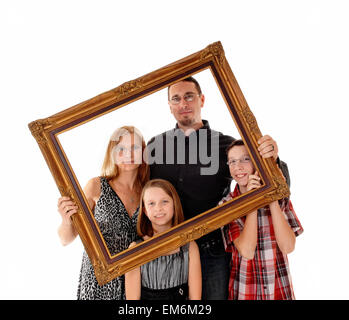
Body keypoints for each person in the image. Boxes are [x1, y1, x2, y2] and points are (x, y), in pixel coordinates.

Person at [147, 76, 290, 300]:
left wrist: (274, 159)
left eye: (189, 96)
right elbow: (139, 189)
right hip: (168, 251)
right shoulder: (155, 146)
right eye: (176, 98)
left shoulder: (226, 146)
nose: (183, 103)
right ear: (169, 106)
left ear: (202, 100)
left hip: (212, 251)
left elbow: (278, 186)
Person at [57, 126, 149, 300]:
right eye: (121, 149)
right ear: (113, 153)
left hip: (135, 282)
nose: (128, 155)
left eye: (134, 148)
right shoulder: (96, 186)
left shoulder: (149, 191)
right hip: (98, 279)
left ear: (143, 151)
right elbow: (65, 239)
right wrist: (66, 220)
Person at [219, 139, 303, 300]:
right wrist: (253, 201)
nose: (238, 167)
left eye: (245, 159)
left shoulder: (280, 197)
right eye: (232, 161)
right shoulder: (227, 205)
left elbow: (288, 246)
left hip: (279, 289)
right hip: (245, 291)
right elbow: (247, 251)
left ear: (257, 162)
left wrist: (269, 196)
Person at [125, 179, 201, 300]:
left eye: (164, 202)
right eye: (151, 203)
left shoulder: (190, 247)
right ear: (144, 210)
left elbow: (195, 299)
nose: (158, 208)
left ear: (174, 204)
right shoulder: (135, 249)